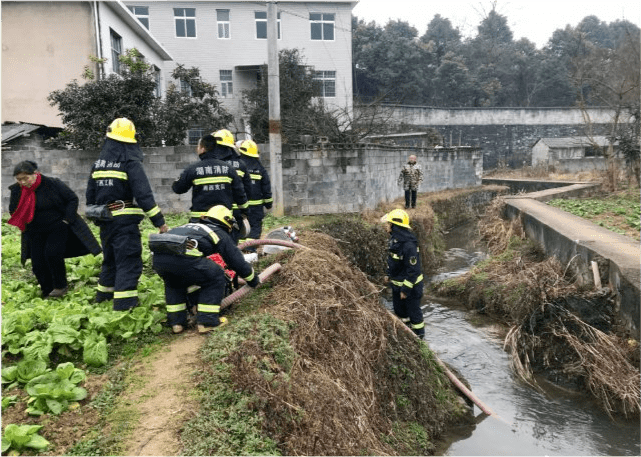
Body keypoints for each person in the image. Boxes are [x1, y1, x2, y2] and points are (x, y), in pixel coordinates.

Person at [86, 117, 168, 311]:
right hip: (125, 223)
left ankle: (104, 298)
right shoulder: (130, 162)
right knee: (128, 261)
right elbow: (143, 194)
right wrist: (160, 222)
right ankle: (125, 305)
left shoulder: (98, 165)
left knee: (111, 260)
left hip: (105, 220)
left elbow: (90, 195)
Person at [150, 205, 260, 334]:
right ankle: (207, 322)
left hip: (159, 259)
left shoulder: (190, 226)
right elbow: (236, 261)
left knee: (174, 283)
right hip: (183, 257)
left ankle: (177, 323)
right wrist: (253, 279)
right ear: (227, 222)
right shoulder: (217, 231)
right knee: (216, 275)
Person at [8, 160, 101, 298]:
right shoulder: (17, 190)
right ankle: (47, 290)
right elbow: (13, 209)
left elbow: (72, 199)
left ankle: (60, 286)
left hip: (57, 226)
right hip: (34, 230)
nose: (22, 182)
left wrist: (66, 220)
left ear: (35, 174)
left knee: (52, 254)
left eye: (25, 178)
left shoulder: (52, 183)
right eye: (19, 179)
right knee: (37, 262)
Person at [172, 134, 248, 223]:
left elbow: (178, 188)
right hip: (224, 221)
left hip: (200, 221)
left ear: (203, 148)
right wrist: (245, 211)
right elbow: (240, 193)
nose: (197, 149)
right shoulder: (229, 168)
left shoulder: (193, 169)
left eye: (198, 146)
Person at [381, 209, 425, 339]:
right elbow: (394, 262)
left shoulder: (409, 246)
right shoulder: (395, 240)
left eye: (388, 223)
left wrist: (405, 290)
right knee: (400, 311)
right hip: (397, 286)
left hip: (411, 287)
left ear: (395, 225)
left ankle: (419, 338)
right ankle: (407, 334)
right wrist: (388, 274)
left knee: (414, 313)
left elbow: (413, 270)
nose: (386, 226)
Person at [211, 129, 252, 243]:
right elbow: (247, 189)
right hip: (236, 210)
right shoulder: (241, 164)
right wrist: (245, 210)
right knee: (233, 242)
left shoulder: (212, 164)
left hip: (213, 211)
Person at [237, 140, 273, 249]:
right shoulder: (259, 168)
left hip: (240, 206)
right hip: (256, 207)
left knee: (240, 227)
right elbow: (266, 187)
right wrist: (268, 203)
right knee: (255, 227)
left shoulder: (237, 165)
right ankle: (250, 250)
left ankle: (240, 251)